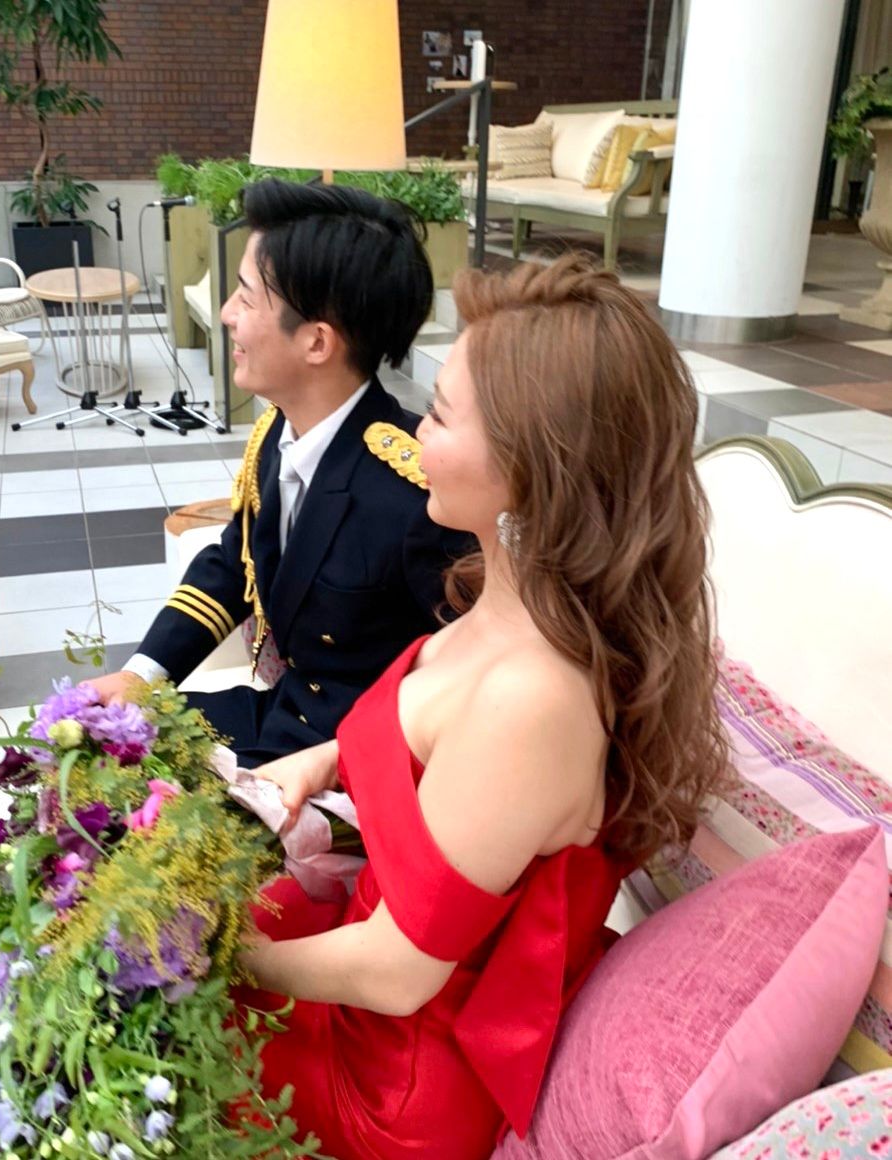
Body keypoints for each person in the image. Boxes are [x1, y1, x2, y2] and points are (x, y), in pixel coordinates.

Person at [237, 254, 729, 1159]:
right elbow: (422, 739)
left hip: (390, 1080)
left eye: (437, 414)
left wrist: (212, 958)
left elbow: (397, 974)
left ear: (530, 469)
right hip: (361, 974)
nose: (413, 436)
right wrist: (323, 759)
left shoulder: (533, 699)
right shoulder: (510, 597)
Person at [83, 180, 470, 767]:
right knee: (95, 738)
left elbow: (463, 681)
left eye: (245, 296)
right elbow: (232, 563)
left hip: (347, 763)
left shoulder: (417, 494)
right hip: (282, 721)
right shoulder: (277, 432)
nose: (226, 314)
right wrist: (143, 676)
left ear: (316, 342)